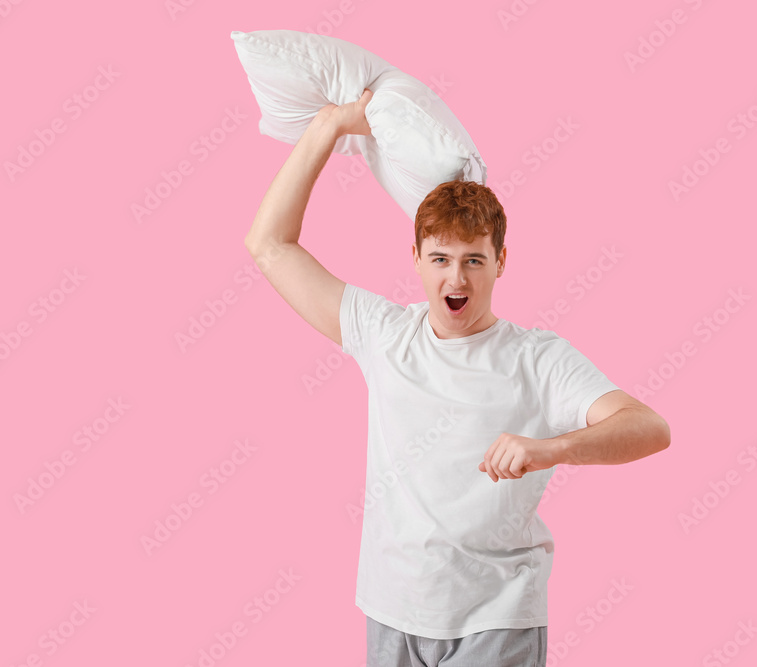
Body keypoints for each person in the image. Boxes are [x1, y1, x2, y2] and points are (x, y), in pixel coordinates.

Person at [244, 89, 671, 667]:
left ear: (500, 262)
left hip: (496, 617)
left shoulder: (537, 358)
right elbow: (269, 245)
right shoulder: (384, 333)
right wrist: (331, 125)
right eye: (441, 258)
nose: (457, 277)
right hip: (391, 609)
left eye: (474, 259)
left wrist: (552, 448)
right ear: (416, 259)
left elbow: (649, 427)